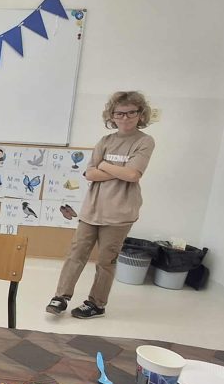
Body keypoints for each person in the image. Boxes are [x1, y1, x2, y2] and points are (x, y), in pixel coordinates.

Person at [46, 91, 156, 319]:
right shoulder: (105, 141)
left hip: (120, 213)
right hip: (92, 209)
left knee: (106, 261)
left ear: (140, 114)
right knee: (76, 253)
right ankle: (61, 297)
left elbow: (133, 175)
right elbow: (89, 173)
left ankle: (96, 304)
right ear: (112, 115)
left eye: (131, 113)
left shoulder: (144, 141)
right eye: (119, 113)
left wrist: (104, 165)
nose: (125, 118)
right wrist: (119, 170)